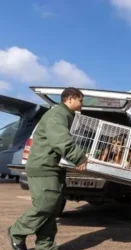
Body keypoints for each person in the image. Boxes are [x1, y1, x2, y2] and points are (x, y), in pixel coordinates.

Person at [8, 87, 88, 250]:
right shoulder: (58, 114)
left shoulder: (66, 115)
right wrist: (78, 157)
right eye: (80, 100)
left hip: (53, 168)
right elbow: (60, 139)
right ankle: (17, 232)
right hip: (44, 167)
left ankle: (45, 245)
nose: (82, 104)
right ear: (70, 98)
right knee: (46, 205)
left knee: (51, 210)